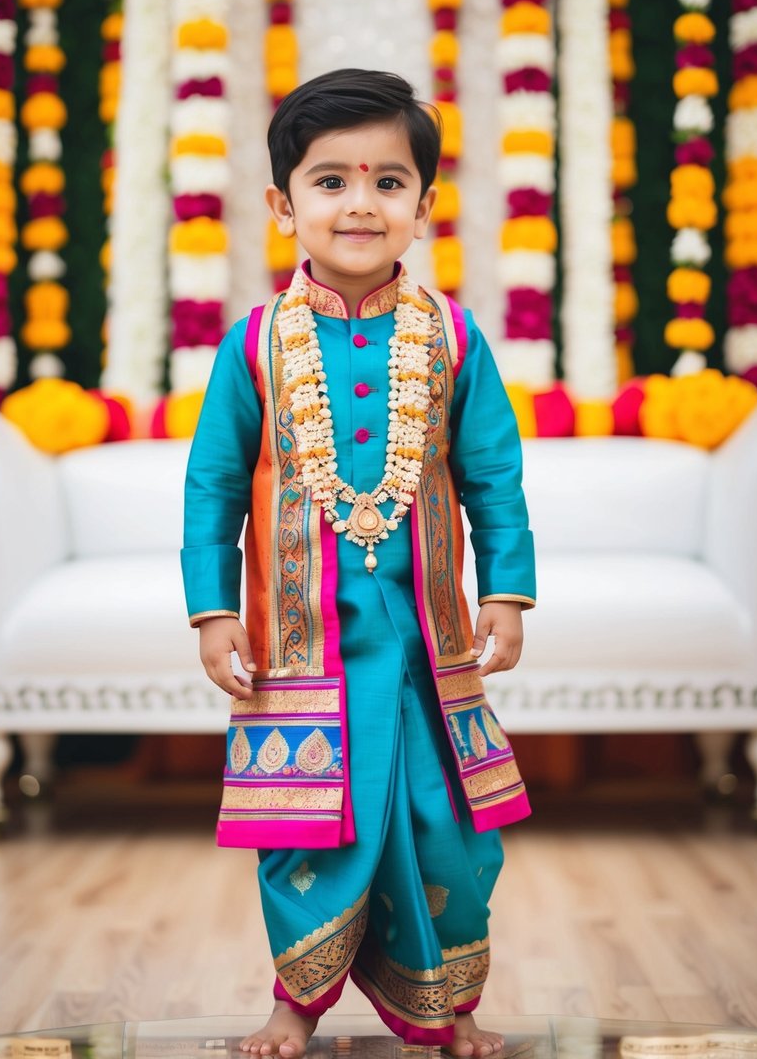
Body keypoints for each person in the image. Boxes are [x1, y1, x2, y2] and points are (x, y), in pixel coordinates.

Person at [182, 69, 536, 1059]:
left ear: (423, 208)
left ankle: (453, 1006)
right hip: (300, 653)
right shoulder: (252, 346)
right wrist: (212, 613)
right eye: (329, 180)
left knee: (447, 830)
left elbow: (493, 481)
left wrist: (505, 593)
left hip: (428, 649)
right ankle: (292, 1006)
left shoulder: (456, 339)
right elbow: (211, 489)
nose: (358, 203)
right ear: (281, 205)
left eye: (387, 182)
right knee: (305, 835)